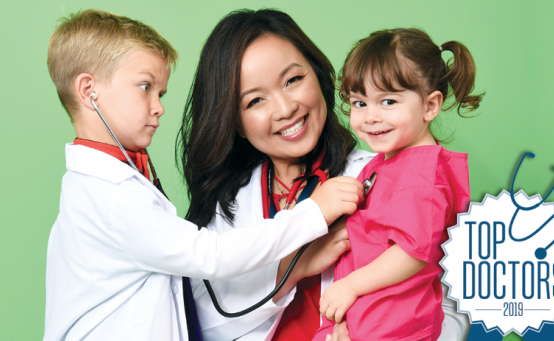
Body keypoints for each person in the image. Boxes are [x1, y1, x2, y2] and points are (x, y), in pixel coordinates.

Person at [42, 9, 364, 340]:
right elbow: (209, 276)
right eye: (145, 87)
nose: (159, 107)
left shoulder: (377, 175)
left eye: (293, 80)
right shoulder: (115, 195)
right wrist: (308, 225)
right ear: (88, 90)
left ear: (318, 74)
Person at [178, 10, 468, 341]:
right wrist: (294, 267)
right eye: (255, 100)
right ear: (235, 122)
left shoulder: (389, 175)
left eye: (293, 80)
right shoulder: (227, 204)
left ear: (319, 77)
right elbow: (205, 325)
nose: (284, 108)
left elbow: (446, 302)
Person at [311, 28, 483, 341]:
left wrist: (349, 286)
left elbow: (412, 253)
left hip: (391, 326)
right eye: (359, 103)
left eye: (388, 101)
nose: (370, 116)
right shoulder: (386, 165)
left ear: (430, 106)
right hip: (368, 317)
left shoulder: (424, 175)